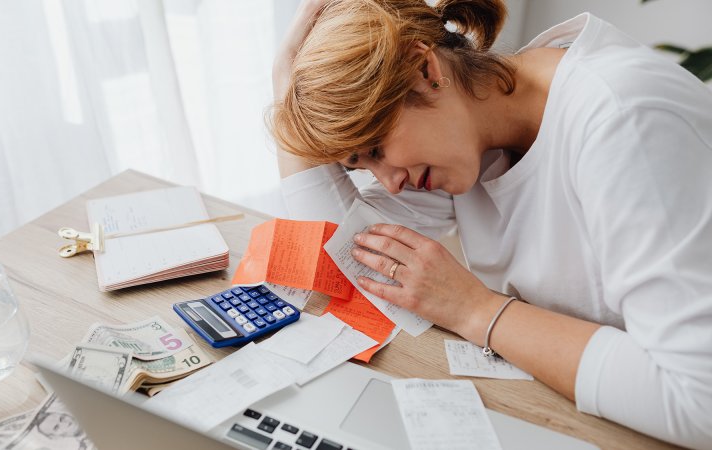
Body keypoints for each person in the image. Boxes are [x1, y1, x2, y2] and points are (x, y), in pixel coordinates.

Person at [269, 0, 712, 448]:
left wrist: (474, 309)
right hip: (578, 412)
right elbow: (345, 259)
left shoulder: (626, 120)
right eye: (361, 165)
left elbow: (699, 401)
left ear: (424, 69)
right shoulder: (475, 131)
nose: (391, 184)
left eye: (378, 148)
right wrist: (286, 88)